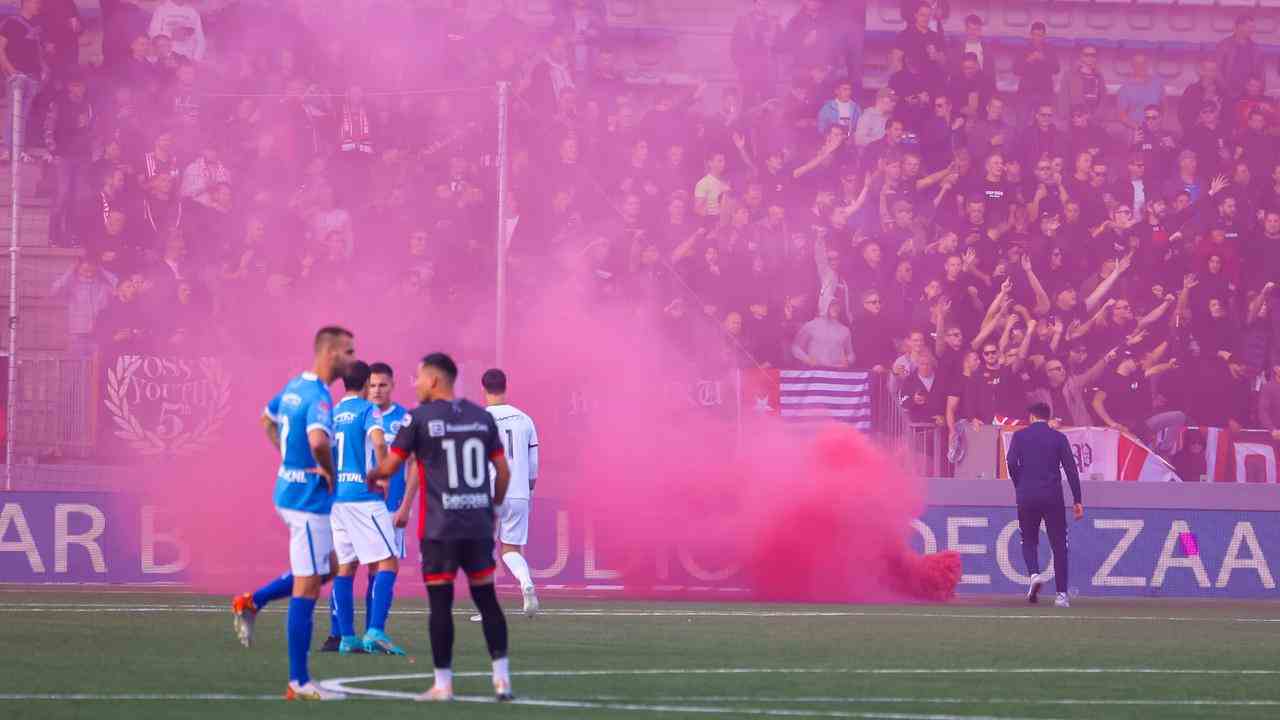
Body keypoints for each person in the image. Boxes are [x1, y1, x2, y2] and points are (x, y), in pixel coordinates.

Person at [367, 353, 515, 702]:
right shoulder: (481, 417)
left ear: (434, 380)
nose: (414, 384)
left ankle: (443, 685)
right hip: (477, 526)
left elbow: (390, 467)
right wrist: (492, 506)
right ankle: (502, 680)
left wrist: (371, 475)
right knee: (487, 600)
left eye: (418, 377)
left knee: (441, 604)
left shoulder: (417, 419)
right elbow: (503, 472)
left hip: (440, 529)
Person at [231, 326, 355, 701]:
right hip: (307, 502)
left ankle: (254, 601)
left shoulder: (294, 386)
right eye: (348, 351)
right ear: (330, 353)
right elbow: (318, 441)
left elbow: (267, 420)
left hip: (289, 492)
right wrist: (329, 472)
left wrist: (289, 461)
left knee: (328, 568)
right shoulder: (318, 397)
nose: (352, 358)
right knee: (309, 585)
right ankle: (298, 682)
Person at [324, 360, 408, 657]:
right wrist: (381, 474)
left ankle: (347, 637)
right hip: (363, 496)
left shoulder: (332, 413)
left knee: (346, 567)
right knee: (388, 562)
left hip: (337, 500)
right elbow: (378, 442)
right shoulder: (367, 410)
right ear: (363, 385)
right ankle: (375, 632)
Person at [470, 368, 541, 623]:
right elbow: (533, 464)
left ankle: (487, 608)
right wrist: (528, 489)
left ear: (483, 388)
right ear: (506, 387)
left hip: (488, 491)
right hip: (519, 491)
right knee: (511, 548)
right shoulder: (525, 419)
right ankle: (526, 582)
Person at [1005, 402, 1083, 609]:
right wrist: (1077, 499)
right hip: (1052, 496)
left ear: (1031, 417)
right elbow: (1071, 470)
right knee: (1059, 545)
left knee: (1028, 540)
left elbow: (1011, 462)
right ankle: (1061, 595)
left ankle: (1034, 575)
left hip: (1027, 495)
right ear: (1048, 417)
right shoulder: (1058, 438)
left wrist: (1019, 483)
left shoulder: (1020, 436)